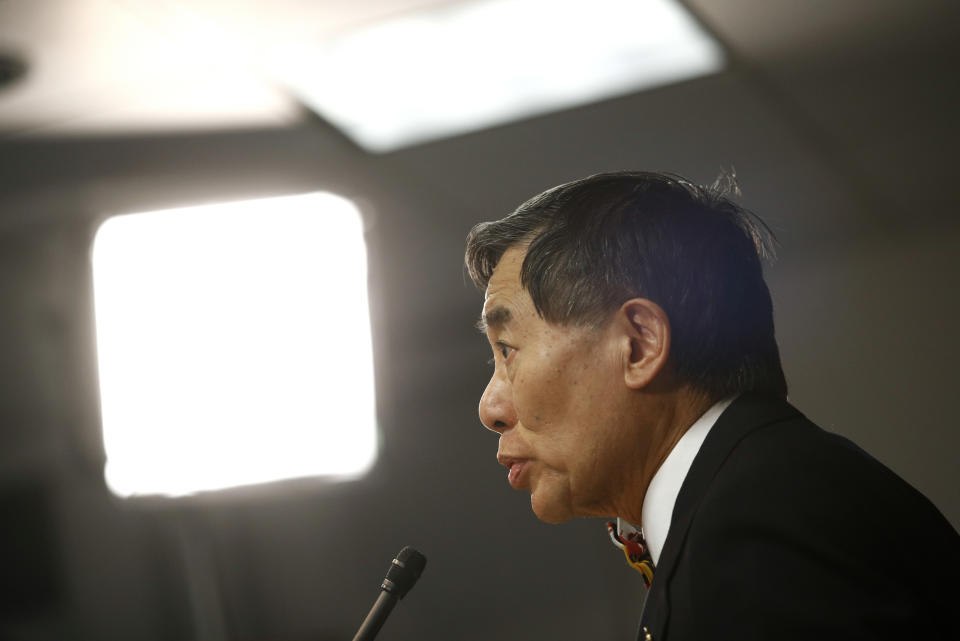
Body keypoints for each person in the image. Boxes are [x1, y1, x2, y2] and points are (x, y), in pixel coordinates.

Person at [464, 171, 960, 641]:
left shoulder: (757, 525)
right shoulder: (759, 500)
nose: (491, 408)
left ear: (638, 344)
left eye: (507, 349)